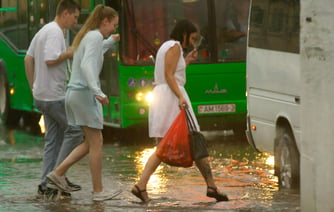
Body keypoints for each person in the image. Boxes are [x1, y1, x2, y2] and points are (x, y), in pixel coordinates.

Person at [131, 19, 229, 203]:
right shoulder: (174, 46)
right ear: (184, 33)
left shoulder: (168, 47)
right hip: (172, 97)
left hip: (165, 96)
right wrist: (181, 97)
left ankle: (142, 185)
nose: (192, 42)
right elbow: (169, 76)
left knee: (171, 144)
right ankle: (211, 186)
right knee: (194, 138)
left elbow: (172, 72)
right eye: (192, 38)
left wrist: (187, 62)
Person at [46, 5, 122, 202]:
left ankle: (58, 173)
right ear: (104, 21)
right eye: (113, 25)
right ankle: (98, 192)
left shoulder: (88, 36)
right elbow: (88, 64)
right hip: (84, 94)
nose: (114, 29)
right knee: (96, 142)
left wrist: (110, 42)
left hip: (74, 94)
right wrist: (98, 92)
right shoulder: (95, 37)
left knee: (90, 142)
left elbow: (89, 56)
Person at [24, 0, 83, 197]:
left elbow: (28, 58)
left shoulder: (44, 30)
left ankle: (46, 183)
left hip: (43, 95)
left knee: (53, 139)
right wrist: (68, 53)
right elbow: (50, 59)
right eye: (74, 17)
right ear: (65, 13)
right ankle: (57, 176)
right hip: (53, 96)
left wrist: (34, 87)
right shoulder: (55, 32)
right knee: (75, 132)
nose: (75, 22)